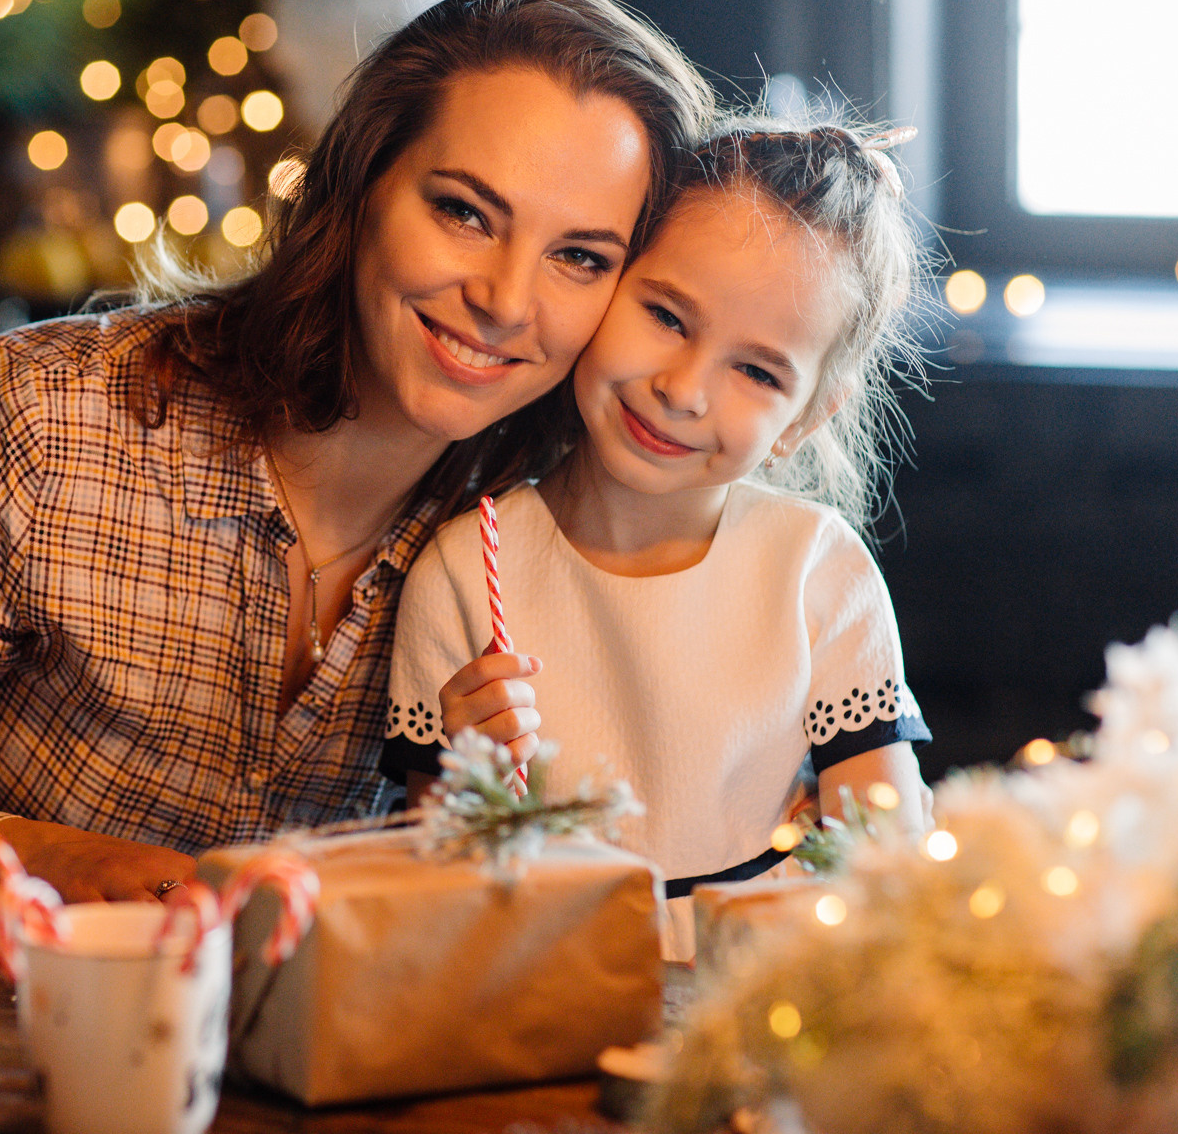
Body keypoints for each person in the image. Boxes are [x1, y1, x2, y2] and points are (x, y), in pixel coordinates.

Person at [0, 0, 714, 903]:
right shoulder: (37, 425)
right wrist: (64, 859)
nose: (503, 300)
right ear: (359, 183)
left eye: (579, 257)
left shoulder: (557, 538)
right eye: (462, 211)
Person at [384, 119, 934, 952]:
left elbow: (888, 860)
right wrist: (468, 776)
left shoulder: (816, 572)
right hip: (546, 982)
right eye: (668, 316)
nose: (682, 390)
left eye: (756, 371)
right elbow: (438, 885)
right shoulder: (468, 567)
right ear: (604, 285)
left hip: (762, 993)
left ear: (807, 418)